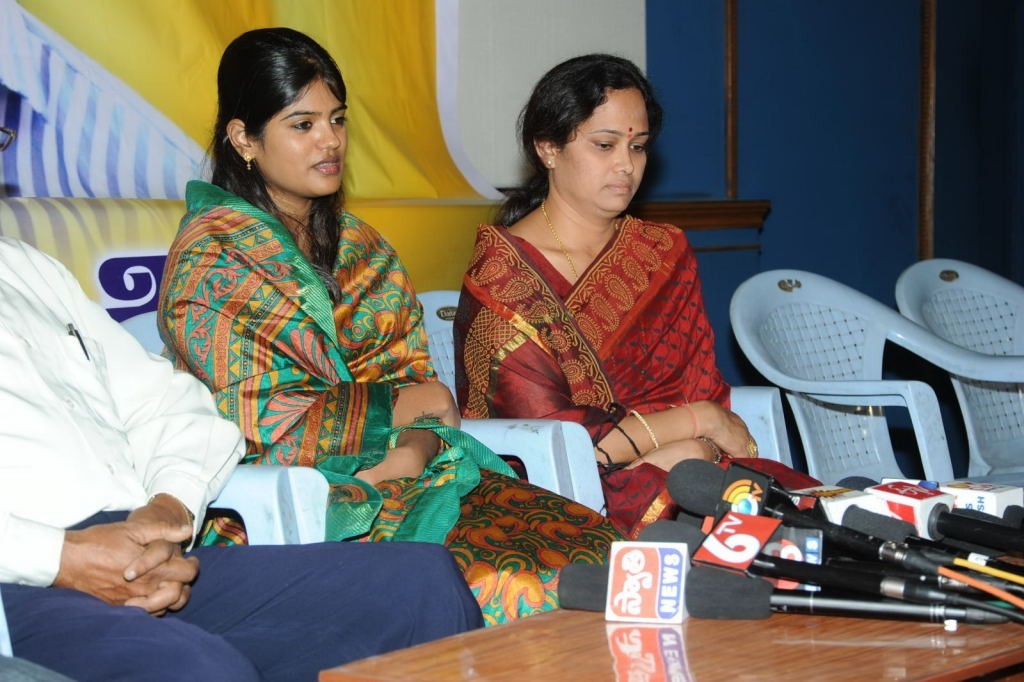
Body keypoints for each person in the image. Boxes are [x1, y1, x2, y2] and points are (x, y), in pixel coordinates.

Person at [157, 28, 621, 625]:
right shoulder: (213, 259)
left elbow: (420, 387)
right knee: (528, 585)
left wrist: (412, 447)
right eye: (303, 125)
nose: (330, 141)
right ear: (244, 138)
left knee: (601, 552)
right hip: (291, 503)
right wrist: (404, 412)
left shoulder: (361, 248)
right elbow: (256, 424)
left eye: (338, 120)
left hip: (418, 471)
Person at [0, 237, 482, 682]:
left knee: (419, 584)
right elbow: (262, 411)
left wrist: (170, 507)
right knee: (201, 668)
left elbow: (169, 404)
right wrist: (58, 558)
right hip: (19, 580)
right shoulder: (215, 253)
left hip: (143, 547)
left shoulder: (27, 268)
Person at [455, 54, 820, 538]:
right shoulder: (502, 277)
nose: (626, 165)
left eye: (639, 147)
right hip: (556, 492)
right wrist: (696, 422)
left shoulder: (660, 252)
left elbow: (700, 389)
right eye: (604, 145)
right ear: (547, 148)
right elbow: (551, 441)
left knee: (820, 519)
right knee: (730, 503)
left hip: (688, 463)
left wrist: (691, 437)